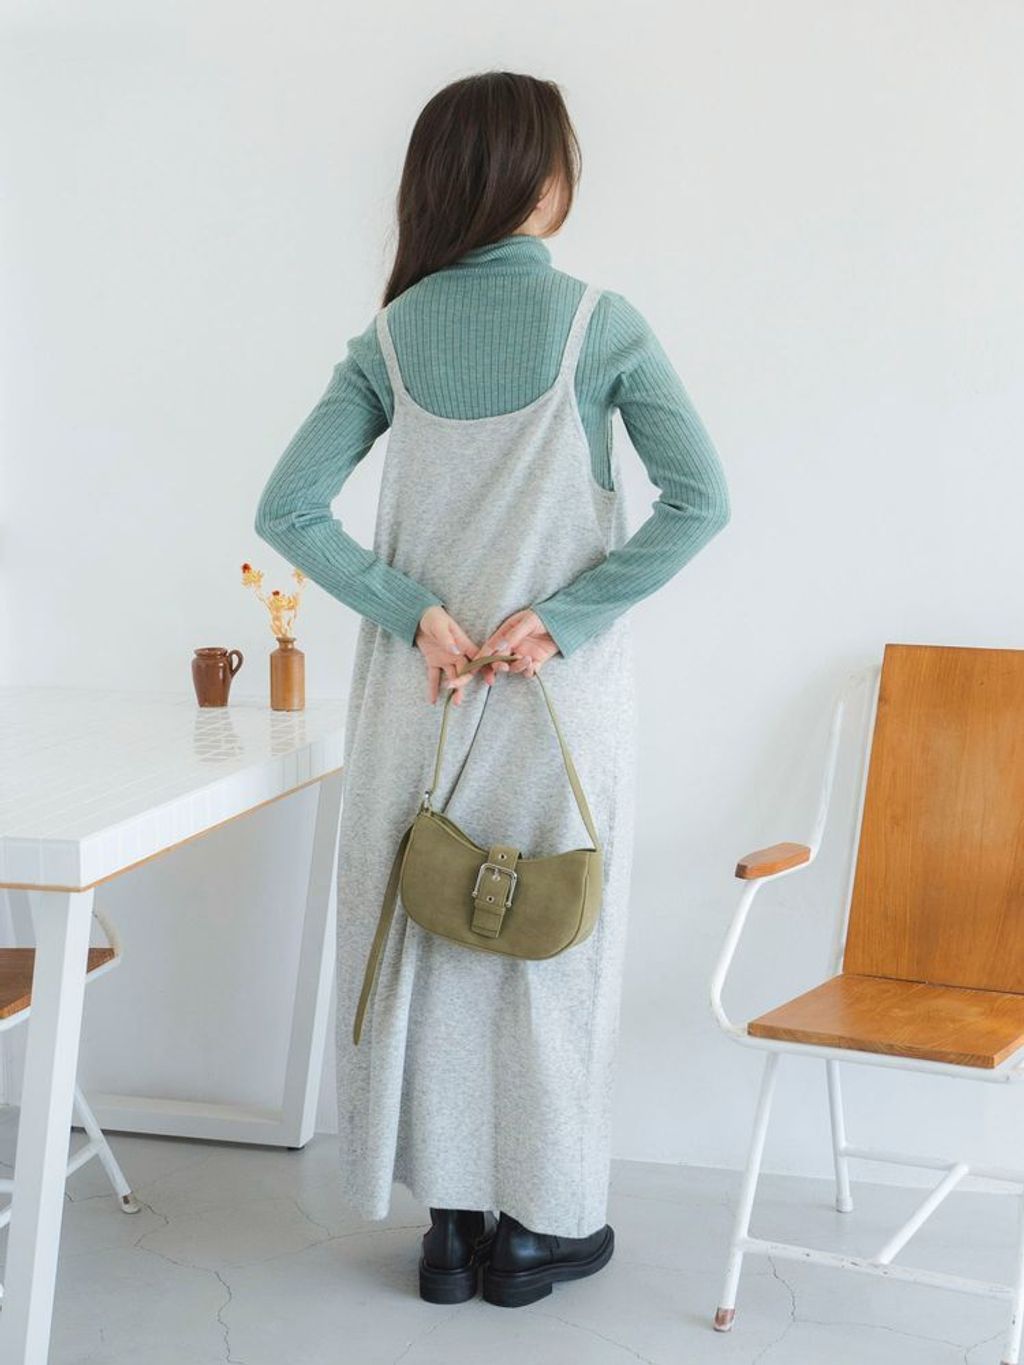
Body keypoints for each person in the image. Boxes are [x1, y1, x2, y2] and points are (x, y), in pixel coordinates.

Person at [254, 69, 730, 1309]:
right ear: (542, 180)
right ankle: (536, 1231)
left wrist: (410, 610)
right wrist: (560, 621)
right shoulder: (597, 323)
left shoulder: (391, 337)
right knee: (549, 951)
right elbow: (700, 501)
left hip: (424, 696)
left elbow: (288, 510)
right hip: (556, 698)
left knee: (428, 937)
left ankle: (449, 1231)